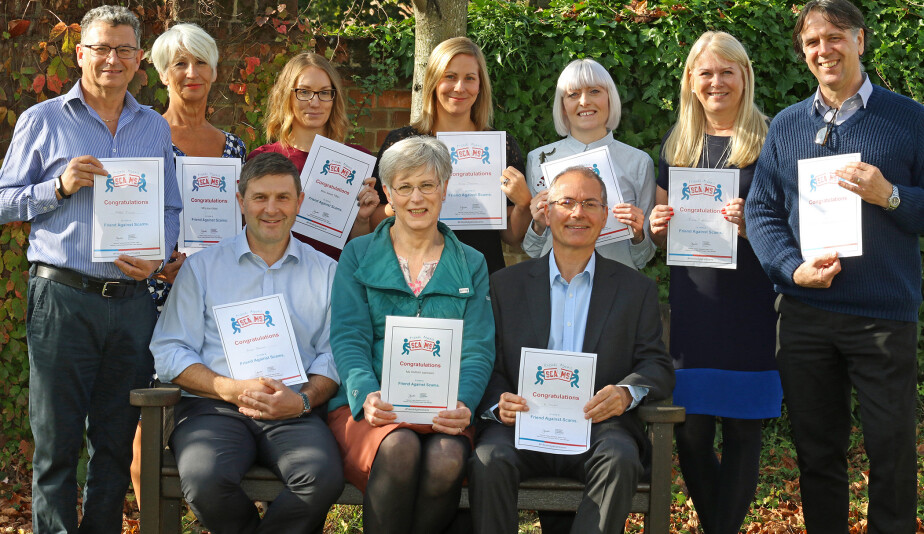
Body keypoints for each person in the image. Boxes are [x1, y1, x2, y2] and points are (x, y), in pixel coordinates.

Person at [0, 6, 182, 532]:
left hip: (130, 303)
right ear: (80, 53)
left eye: (124, 49)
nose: (112, 59)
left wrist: (157, 254)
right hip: (62, 298)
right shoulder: (43, 120)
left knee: (115, 442)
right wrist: (56, 187)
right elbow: (5, 201)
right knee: (56, 443)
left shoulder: (152, 127)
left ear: (139, 58)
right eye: (101, 48)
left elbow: (170, 209)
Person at [745, 1, 924, 532]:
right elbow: (762, 211)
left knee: (891, 451)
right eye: (811, 42)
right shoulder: (787, 125)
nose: (824, 49)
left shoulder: (910, 119)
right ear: (803, 54)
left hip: (882, 317)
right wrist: (791, 268)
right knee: (817, 453)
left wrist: (891, 196)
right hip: (806, 314)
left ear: (861, 40)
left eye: (835, 37)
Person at [469, 166, 674, 534]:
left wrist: (626, 392)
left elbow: (656, 363)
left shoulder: (635, 289)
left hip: (596, 426)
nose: (578, 213)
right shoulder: (505, 285)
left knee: (620, 457)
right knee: (488, 457)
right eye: (566, 203)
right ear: (547, 212)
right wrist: (499, 401)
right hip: (523, 423)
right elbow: (486, 360)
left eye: (590, 203)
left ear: (605, 215)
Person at [149, 152, 344, 533]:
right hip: (213, 408)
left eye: (283, 197)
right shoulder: (202, 268)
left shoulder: (326, 272)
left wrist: (302, 399)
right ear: (240, 202)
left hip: (292, 407)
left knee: (320, 476)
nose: (271, 209)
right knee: (205, 479)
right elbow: (169, 350)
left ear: (300, 202)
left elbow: (333, 353)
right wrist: (228, 388)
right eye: (260, 197)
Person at [647, 32, 781, 534]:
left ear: (745, 75)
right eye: (706, 72)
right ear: (691, 81)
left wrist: (756, 225)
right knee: (692, 438)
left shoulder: (771, 141)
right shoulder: (677, 143)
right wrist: (656, 226)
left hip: (750, 309)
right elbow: (660, 233)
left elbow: (791, 227)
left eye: (727, 71)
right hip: (694, 310)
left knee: (745, 437)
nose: (717, 81)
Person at [327, 136, 494, 533]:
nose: (416, 198)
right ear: (388, 193)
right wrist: (366, 393)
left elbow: (478, 349)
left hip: (444, 407)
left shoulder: (472, 263)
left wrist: (463, 402)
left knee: (448, 460)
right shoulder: (358, 254)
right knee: (398, 447)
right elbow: (349, 336)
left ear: (444, 190)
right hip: (374, 407)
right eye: (404, 187)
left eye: (427, 185)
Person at [127, 23, 252, 504]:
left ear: (215, 71)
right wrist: (159, 265)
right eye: (178, 63)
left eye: (200, 61)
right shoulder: (142, 140)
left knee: (216, 412)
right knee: (146, 430)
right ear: (161, 73)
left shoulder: (235, 147)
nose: (191, 72)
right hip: (154, 296)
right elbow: (127, 224)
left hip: (215, 298)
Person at [370, 37, 532, 273]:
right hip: (414, 274)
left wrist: (523, 203)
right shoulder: (402, 142)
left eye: (469, 78)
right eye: (450, 77)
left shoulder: (500, 146)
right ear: (434, 81)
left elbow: (512, 236)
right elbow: (374, 221)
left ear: (480, 86)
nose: (459, 87)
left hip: (480, 273)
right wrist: (403, 200)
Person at [524, 59, 656, 270]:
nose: (584, 101)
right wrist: (538, 224)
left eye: (594, 91)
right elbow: (532, 250)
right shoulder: (538, 160)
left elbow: (643, 257)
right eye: (573, 94)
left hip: (617, 290)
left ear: (610, 99)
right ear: (563, 107)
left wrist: (638, 233)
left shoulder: (639, 163)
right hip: (556, 288)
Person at [249, 52, 379, 260]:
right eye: (304, 92)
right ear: (287, 95)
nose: (315, 102)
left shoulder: (357, 162)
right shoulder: (262, 159)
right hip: (277, 279)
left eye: (324, 93)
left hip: (336, 282)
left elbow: (360, 253)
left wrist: (362, 219)